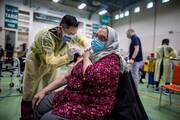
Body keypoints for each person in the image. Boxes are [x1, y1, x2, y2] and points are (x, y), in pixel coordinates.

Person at [32, 26, 124, 120]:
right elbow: (66, 77)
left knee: (47, 118)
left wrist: (86, 58)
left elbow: (90, 76)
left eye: (101, 38)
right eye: (95, 36)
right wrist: (44, 91)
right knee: (39, 105)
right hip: (71, 94)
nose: (96, 40)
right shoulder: (92, 54)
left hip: (90, 104)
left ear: (111, 42)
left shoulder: (112, 60)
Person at [21, 15, 88, 120]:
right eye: (70, 34)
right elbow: (50, 62)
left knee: (49, 87)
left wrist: (88, 48)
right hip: (36, 60)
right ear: (61, 28)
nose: (72, 36)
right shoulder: (46, 36)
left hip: (54, 59)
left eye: (74, 34)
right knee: (29, 91)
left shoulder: (72, 32)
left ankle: (42, 112)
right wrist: (68, 57)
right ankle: (26, 116)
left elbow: (82, 40)